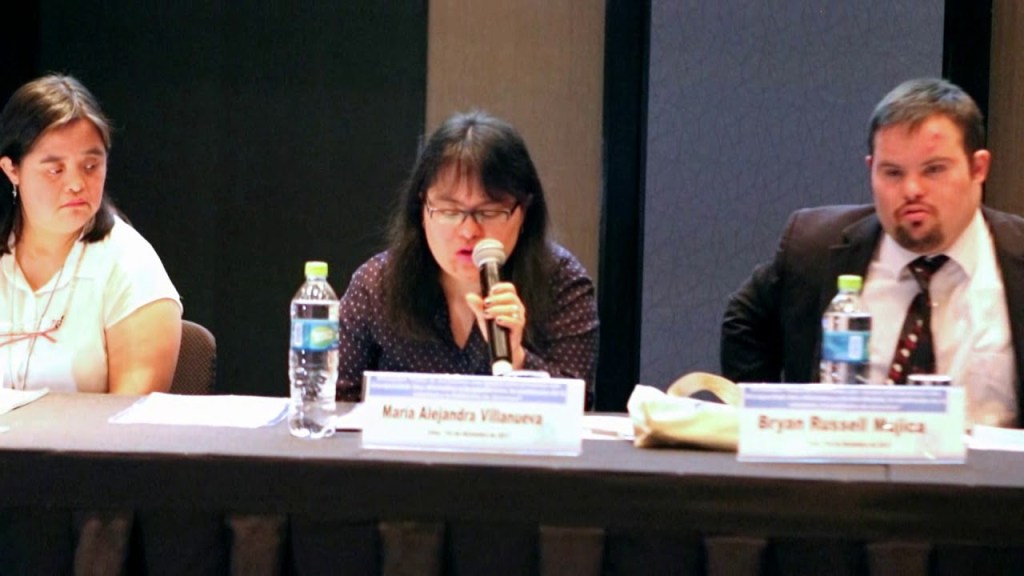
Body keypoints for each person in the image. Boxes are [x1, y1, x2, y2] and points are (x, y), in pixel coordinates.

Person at [721, 78, 1024, 428]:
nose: (912, 189)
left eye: (934, 170)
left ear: (978, 168)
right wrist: (767, 425)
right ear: (871, 170)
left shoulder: (1013, 257)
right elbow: (745, 321)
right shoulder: (814, 247)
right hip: (845, 459)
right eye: (892, 173)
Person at [336, 110, 599, 407]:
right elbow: (334, 402)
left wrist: (518, 359)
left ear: (524, 212)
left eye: (489, 212)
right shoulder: (376, 286)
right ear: (422, 210)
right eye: (449, 212)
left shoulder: (561, 282)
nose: (469, 231)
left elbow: (578, 408)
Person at [0, 74, 181, 393]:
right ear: (12, 169)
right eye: (55, 170)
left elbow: (129, 416)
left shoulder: (130, 265)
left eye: (90, 166)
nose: (75, 184)